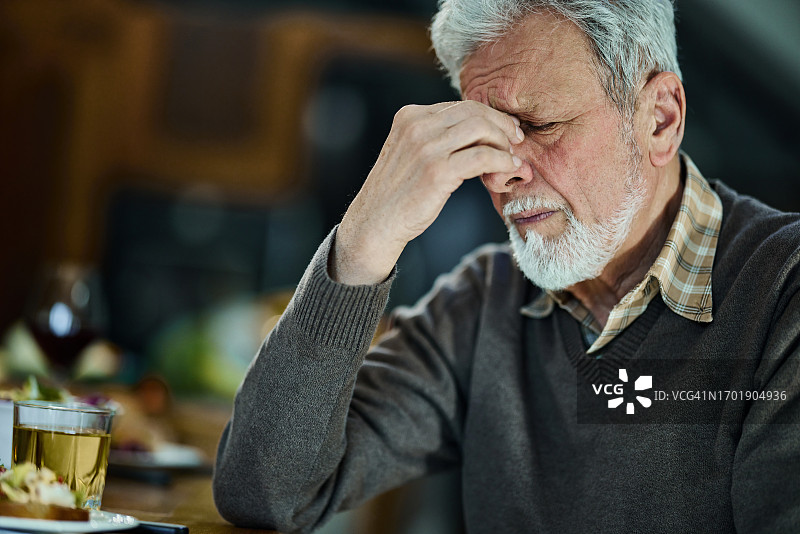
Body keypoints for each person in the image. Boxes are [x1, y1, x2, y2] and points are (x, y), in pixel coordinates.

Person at [213, 1, 800, 532]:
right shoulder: (483, 304)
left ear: (659, 119)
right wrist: (365, 239)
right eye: (483, 139)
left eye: (538, 127)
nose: (497, 175)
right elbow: (265, 494)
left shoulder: (783, 294)